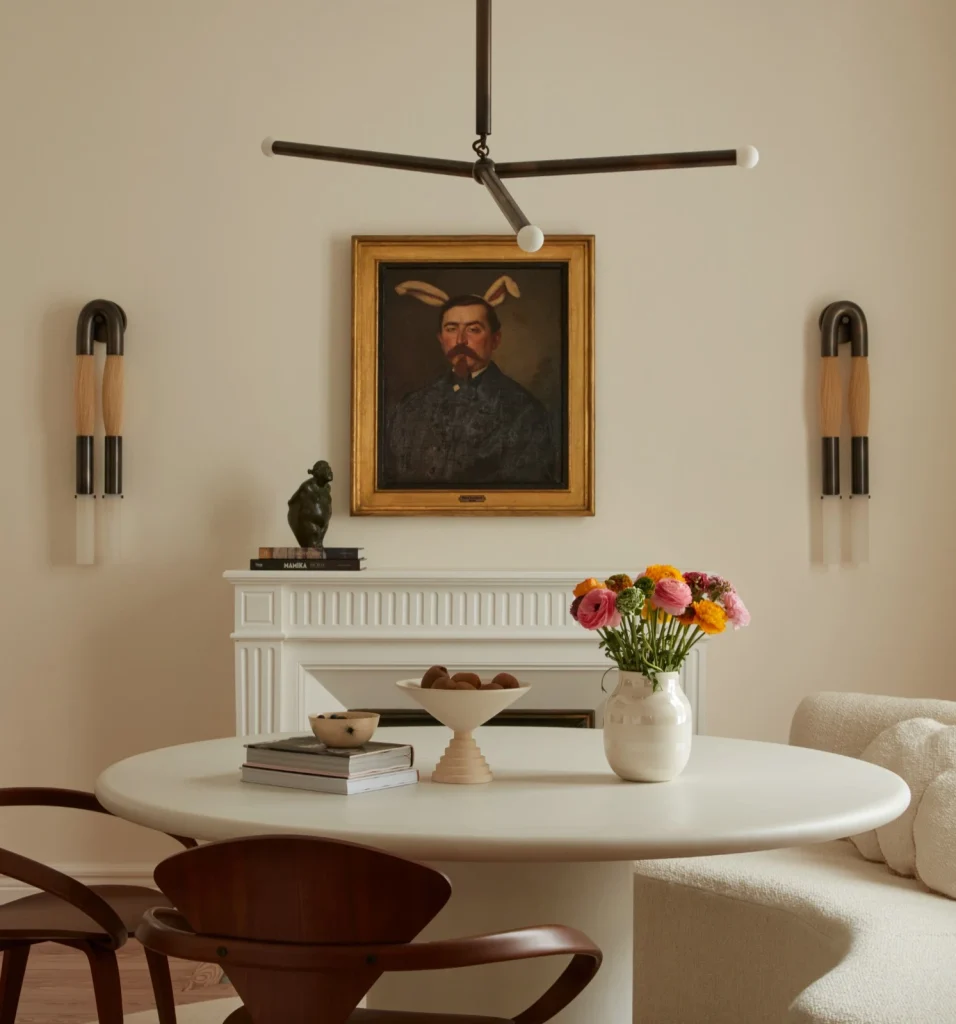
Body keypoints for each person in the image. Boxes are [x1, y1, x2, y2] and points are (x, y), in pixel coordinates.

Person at [385, 295, 557, 486]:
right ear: (441, 339)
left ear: (495, 339)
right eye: (451, 329)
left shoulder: (525, 412)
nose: (461, 340)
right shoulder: (412, 406)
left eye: (473, 330)